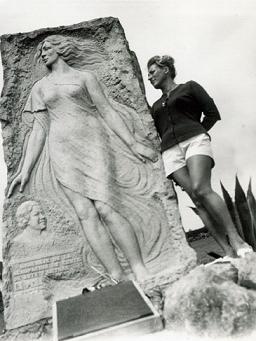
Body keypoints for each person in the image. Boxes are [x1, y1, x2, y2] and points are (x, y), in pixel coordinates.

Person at [8, 35, 160, 283]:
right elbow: (38, 131)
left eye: (46, 48)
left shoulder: (85, 77)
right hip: (61, 149)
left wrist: (132, 143)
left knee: (106, 207)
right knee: (84, 212)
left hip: (93, 142)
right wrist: (25, 169)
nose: (42, 53)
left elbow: (107, 111)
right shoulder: (39, 87)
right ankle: (116, 274)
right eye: (40, 51)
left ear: (60, 49)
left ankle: (139, 266)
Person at [147, 55, 253, 258]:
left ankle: (238, 241)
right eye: (148, 74)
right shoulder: (155, 106)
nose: (149, 77)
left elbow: (212, 113)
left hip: (195, 141)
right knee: (196, 199)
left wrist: (198, 131)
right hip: (170, 151)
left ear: (166, 69)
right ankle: (227, 251)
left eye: (152, 72)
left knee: (201, 189)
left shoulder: (189, 87)